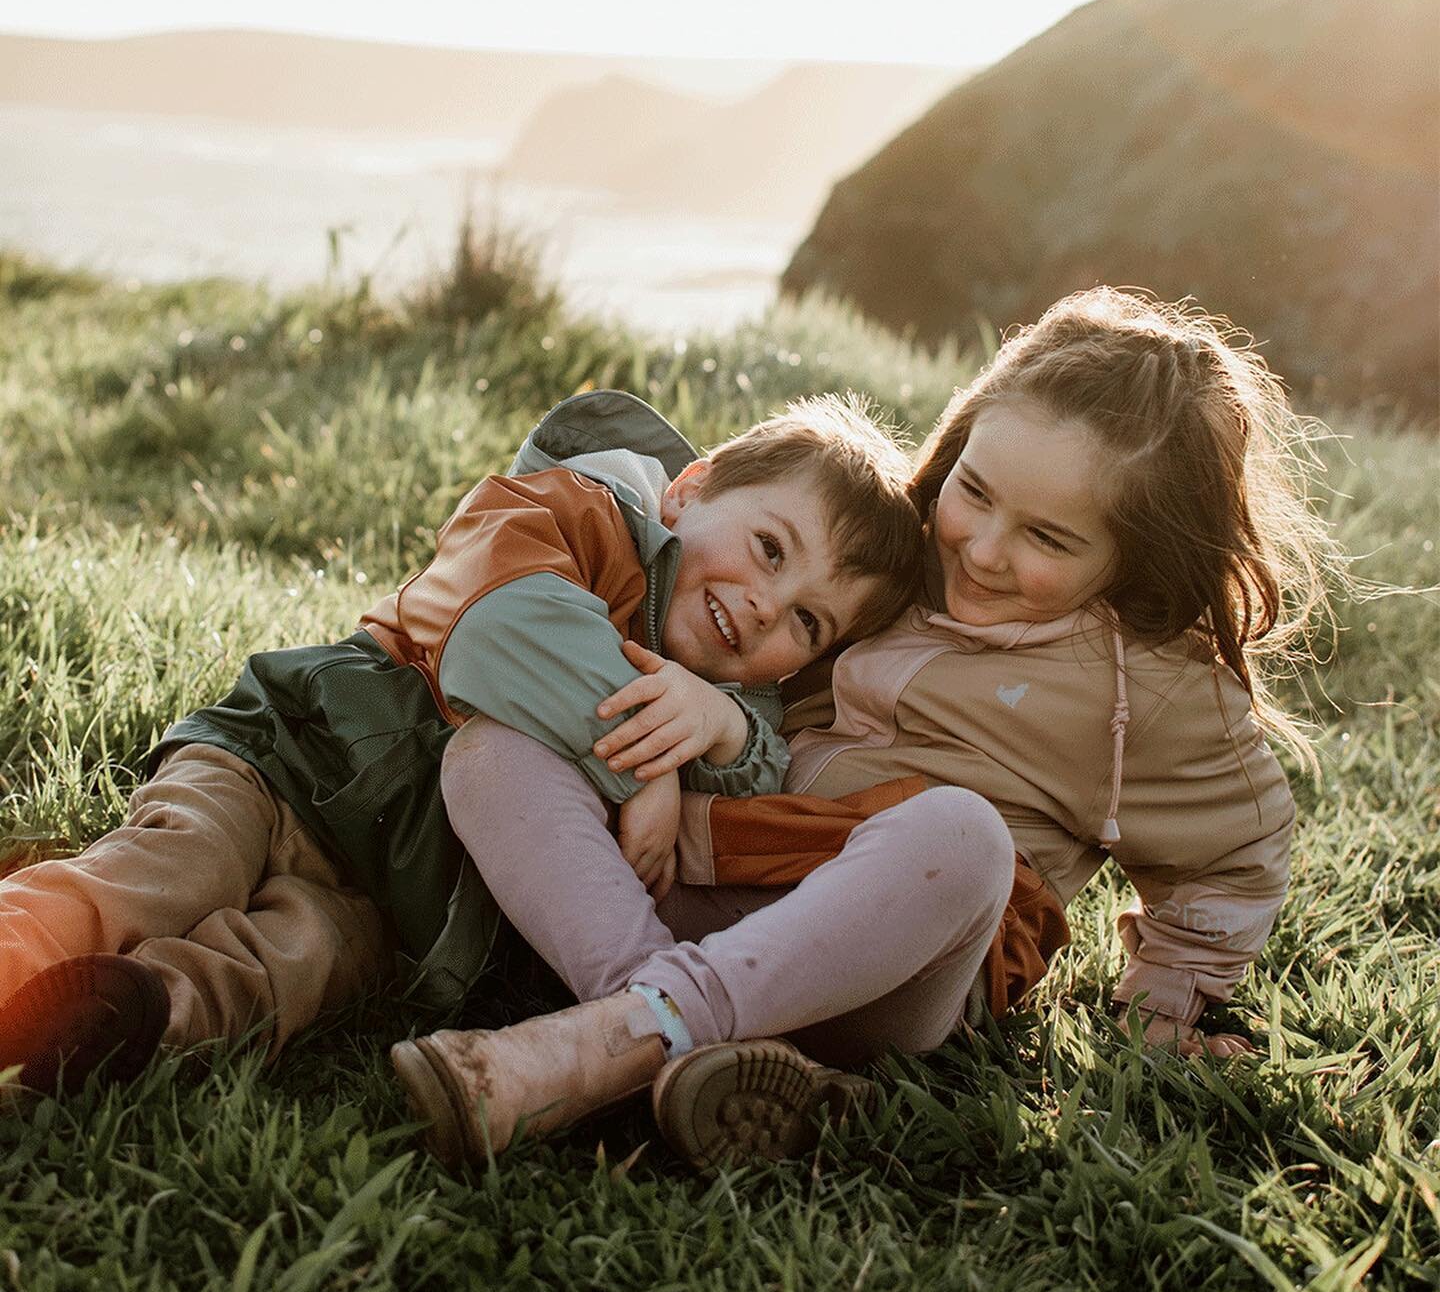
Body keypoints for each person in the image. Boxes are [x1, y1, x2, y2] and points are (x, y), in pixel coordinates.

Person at [396, 288, 1342, 1172]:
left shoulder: (1156, 688)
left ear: (1135, 551)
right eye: (975, 492)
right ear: (960, 442)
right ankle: (662, 1023)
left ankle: (599, 1045)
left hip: (895, 956)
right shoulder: (889, 564)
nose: (982, 546)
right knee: (494, 751)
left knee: (961, 833)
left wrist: (1167, 1008)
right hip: (704, 879)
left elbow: (1240, 846)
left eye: (1048, 539)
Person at [0, 389, 923, 1093]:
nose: (766, 605)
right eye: (769, 549)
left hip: (406, 901)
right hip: (286, 760)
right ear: (690, 492)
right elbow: (501, 626)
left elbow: (745, 804)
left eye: (807, 623)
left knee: (301, 965)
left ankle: (136, 1014)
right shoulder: (569, 515)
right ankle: (20, 947)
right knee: (176, 865)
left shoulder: (730, 709)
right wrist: (648, 766)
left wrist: (717, 730)